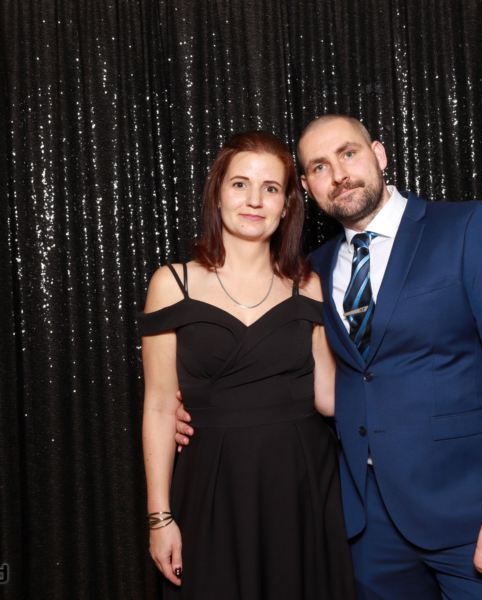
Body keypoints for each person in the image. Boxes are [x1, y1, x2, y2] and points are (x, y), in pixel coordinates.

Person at [177, 115, 482, 599]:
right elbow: (301, 376)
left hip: (475, 515)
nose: (338, 174)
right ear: (307, 187)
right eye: (319, 166)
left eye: (348, 154)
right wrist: (200, 406)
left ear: (378, 154)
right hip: (365, 529)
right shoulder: (311, 272)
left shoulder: (466, 227)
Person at [139, 131, 355, 600]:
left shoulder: (308, 284)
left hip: (303, 486)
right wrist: (160, 518)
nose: (254, 200)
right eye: (240, 184)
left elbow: (329, 396)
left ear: (287, 205)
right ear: (217, 194)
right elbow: (158, 406)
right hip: (212, 486)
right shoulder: (172, 283)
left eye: (270, 188)